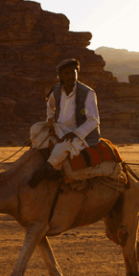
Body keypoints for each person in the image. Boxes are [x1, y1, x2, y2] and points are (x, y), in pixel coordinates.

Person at [29, 58, 101, 188]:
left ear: (77, 73)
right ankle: (53, 163)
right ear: (60, 76)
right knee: (36, 129)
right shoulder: (56, 90)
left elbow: (93, 120)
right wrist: (50, 118)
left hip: (81, 133)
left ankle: (48, 169)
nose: (70, 76)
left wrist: (76, 133)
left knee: (64, 145)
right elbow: (50, 106)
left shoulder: (88, 93)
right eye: (66, 73)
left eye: (73, 72)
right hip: (60, 128)